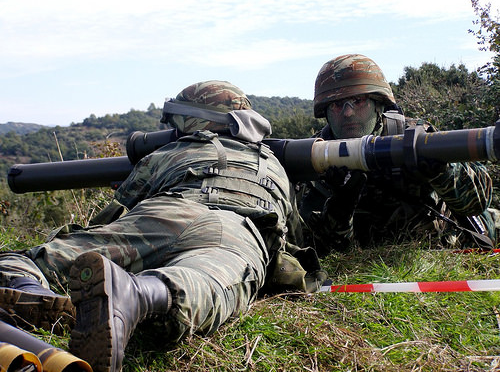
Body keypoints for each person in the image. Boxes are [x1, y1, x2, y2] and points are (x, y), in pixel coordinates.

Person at [0, 80, 325, 372]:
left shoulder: (175, 150)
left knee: (57, 256)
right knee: (208, 279)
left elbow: (120, 208)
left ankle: (28, 283)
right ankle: (137, 295)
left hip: (168, 210)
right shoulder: (277, 168)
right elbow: (291, 237)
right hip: (237, 231)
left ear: (193, 120)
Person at [299, 54, 497, 256]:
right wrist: (340, 208)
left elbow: (478, 201)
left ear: (379, 104)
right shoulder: (313, 158)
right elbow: (322, 251)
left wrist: (441, 170)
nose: (347, 113)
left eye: (357, 101)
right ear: (326, 112)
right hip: (366, 260)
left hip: (433, 249)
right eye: (337, 105)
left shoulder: (411, 136)